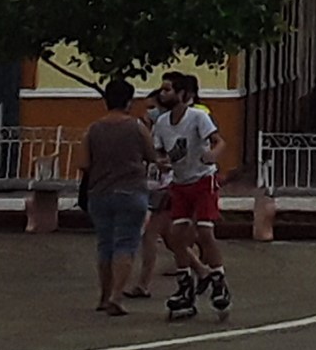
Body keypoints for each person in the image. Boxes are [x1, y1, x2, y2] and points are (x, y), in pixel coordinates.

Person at [150, 71, 230, 321]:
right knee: (176, 235)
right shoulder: (162, 123)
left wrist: (213, 155)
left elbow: (219, 142)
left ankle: (218, 279)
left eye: (168, 90)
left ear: (182, 94)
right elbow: (159, 153)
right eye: (162, 90)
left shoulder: (198, 117)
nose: (163, 94)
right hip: (180, 182)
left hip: (203, 180)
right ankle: (185, 283)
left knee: (205, 231)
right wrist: (161, 163)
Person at [78, 77, 154, 317]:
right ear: (129, 102)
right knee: (126, 244)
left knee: (105, 245)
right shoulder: (137, 127)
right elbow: (151, 155)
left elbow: (83, 163)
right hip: (131, 192)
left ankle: (103, 295)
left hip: (99, 194)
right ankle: (117, 296)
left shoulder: (92, 130)